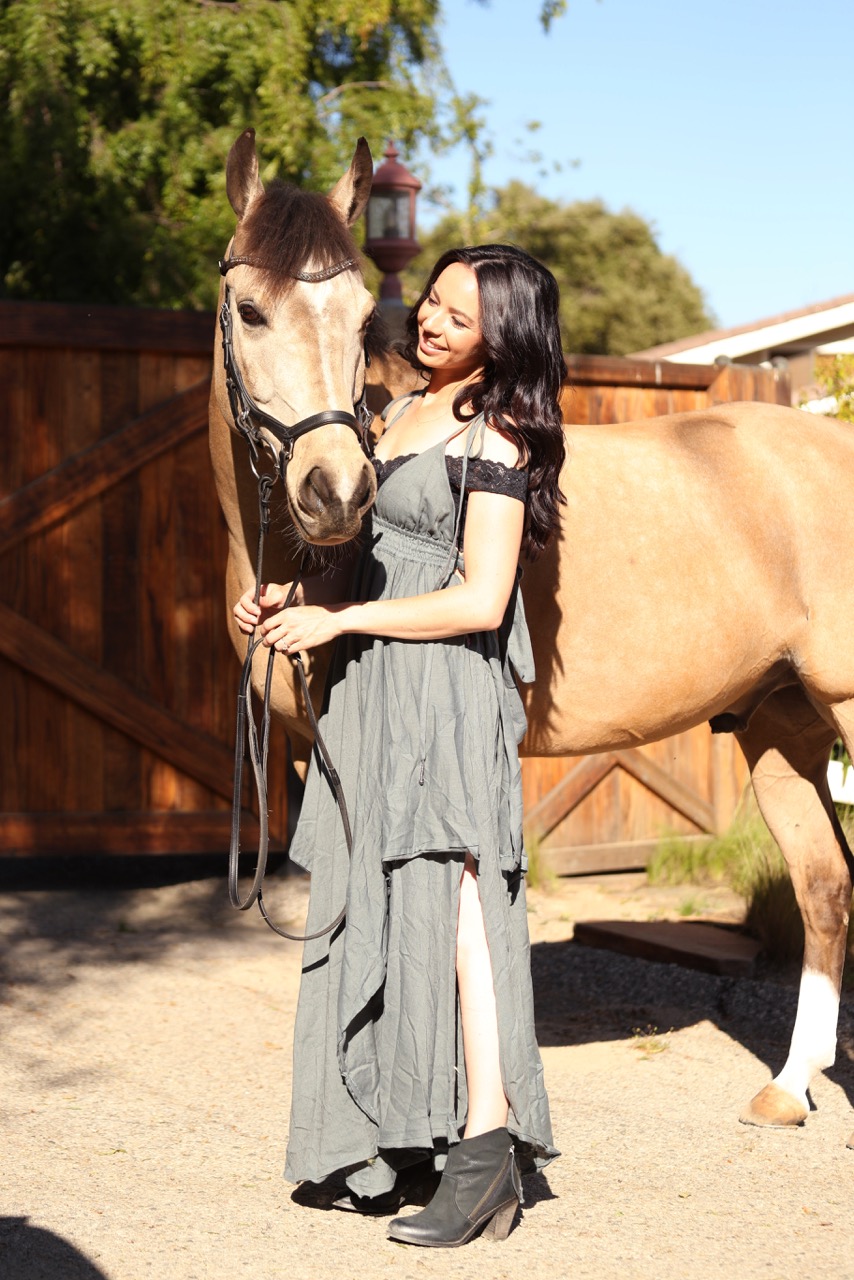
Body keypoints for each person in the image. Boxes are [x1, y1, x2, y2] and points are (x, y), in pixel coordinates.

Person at [233, 243, 566, 1248]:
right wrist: (293, 599)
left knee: (460, 907)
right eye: (429, 302)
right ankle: (386, 1138)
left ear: (498, 336)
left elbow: (479, 597)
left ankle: (487, 1149)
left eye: (457, 318)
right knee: (373, 901)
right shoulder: (392, 412)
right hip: (374, 686)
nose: (429, 322)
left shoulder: (497, 432)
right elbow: (378, 565)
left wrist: (340, 626)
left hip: (442, 693)